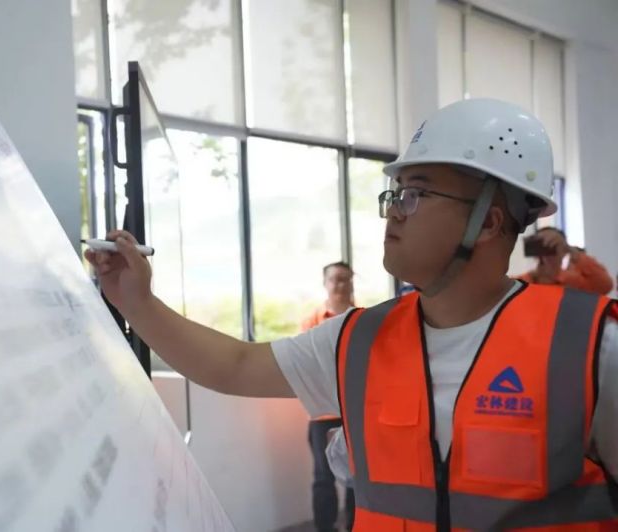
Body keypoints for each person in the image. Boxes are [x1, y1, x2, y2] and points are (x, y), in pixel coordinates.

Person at [85, 98, 618, 530]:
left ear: (488, 223)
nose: (393, 213)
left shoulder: (592, 347)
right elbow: (234, 366)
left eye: (416, 194)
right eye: (395, 194)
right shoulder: (358, 340)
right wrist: (137, 302)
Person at [301, 262, 356, 532]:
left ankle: (356, 526)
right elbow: (307, 364)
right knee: (323, 477)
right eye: (335, 279)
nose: (341, 284)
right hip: (322, 412)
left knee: (358, 477)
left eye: (346, 278)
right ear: (325, 283)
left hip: (356, 412)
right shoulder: (312, 322)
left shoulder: (364, 318)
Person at [518, 227, 614, 294]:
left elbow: (605, 285)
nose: (546, 250)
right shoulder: (520, 284)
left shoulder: (573, 283)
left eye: (553, 246)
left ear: (563, 252)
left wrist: (570, 251)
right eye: (541, 245)